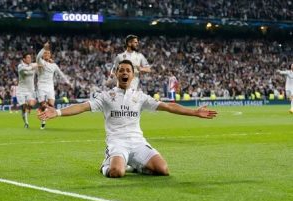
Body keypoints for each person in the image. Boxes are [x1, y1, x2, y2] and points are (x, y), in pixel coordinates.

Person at [38, 60, 217, 178]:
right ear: (116, 74)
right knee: (116, 172)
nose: (124, 73)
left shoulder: (140, 96)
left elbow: (168, 106)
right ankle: (105, 165)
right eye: (121, 70)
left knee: (163, 170)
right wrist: (58, 112)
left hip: (138, 142)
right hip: (117, 143)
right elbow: (82, 106)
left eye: (128, 70)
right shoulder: (106, 96)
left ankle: (135, 164)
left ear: (133, 75)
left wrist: (194, 112)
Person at [36, 42, 72, 129]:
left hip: (50, 87)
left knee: (51, 106)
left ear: (50, 55)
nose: (46, 54)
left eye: (48, 53)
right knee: (43, 105)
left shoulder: (54, 65)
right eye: (45, 53)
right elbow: (37, 57)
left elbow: (61, 74)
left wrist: (68, 82)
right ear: (43, 55)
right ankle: (42, 115)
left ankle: (43, 117)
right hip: (41, 86)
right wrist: (44, 48)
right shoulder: (40, 62)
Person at [16, 53, 40, 128]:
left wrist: (48, 61)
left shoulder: (32, 64)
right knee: (24, 107)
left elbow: (41, 62)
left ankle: (28, 108)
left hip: (30, 90)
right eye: (28, 57)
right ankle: (26, 123)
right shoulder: (20, 66)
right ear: (24, 59)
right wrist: (34, 66)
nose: (30, 59)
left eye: (30, 57)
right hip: (21, 90)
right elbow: (26, 69)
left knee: (31, 104)